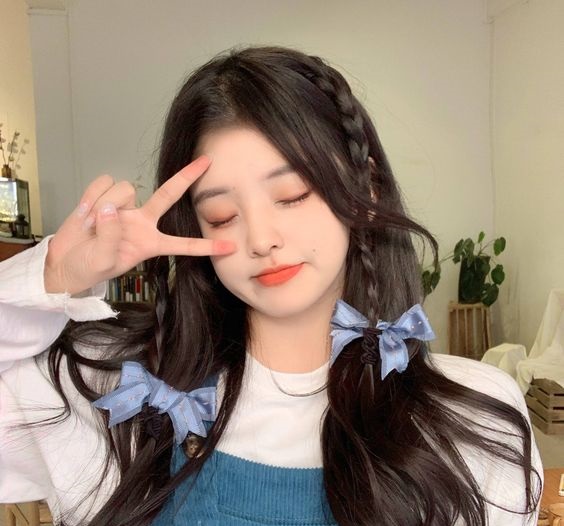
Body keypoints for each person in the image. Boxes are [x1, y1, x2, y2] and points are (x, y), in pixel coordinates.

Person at [0, 45, 542, 526]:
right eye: (221, 215)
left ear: (367, 188)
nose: (261, 239)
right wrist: (53, 277)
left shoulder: (475, 418)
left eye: (292, 195)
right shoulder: (114, 394)